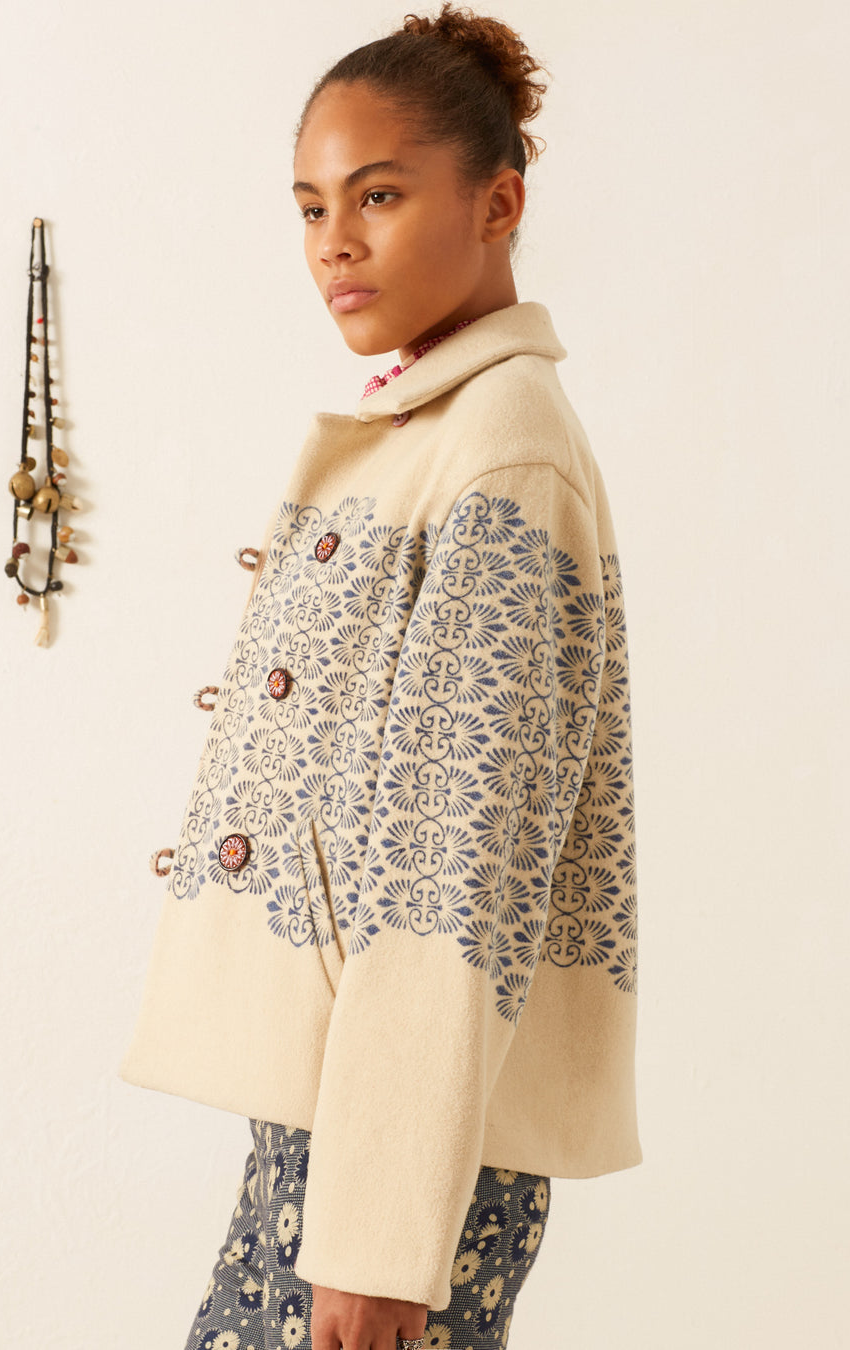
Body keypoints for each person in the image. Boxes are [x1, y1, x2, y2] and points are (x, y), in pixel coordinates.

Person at [119, 6, 642, 1349]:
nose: (334, 242)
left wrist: (375, 1236)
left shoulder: (501, 447)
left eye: (381, 194)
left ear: (499, 201)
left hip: (399, 1162)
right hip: (349, 1134)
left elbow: (453, 872)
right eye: (309, 207)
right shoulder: (434, 429)